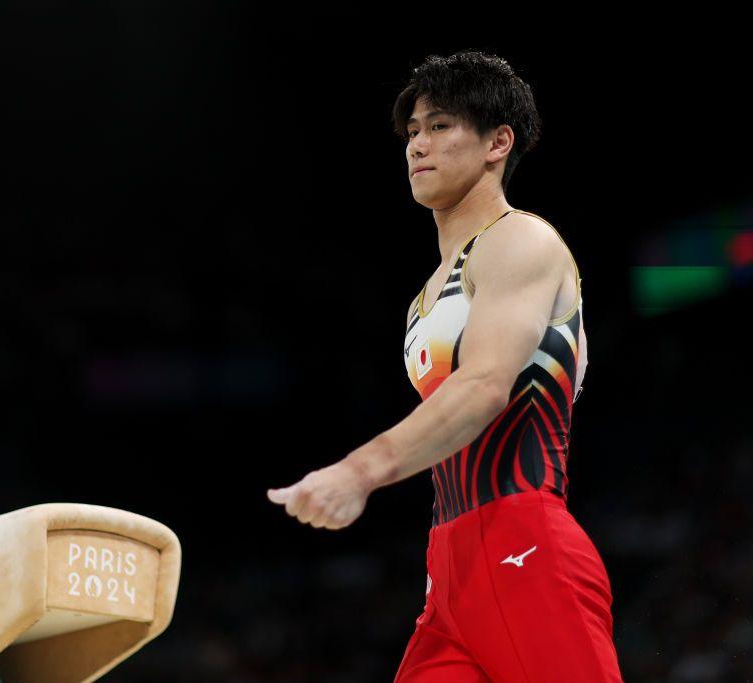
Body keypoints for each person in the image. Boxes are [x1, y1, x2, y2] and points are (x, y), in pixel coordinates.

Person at [267, 50, 623, 682]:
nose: (416, 146)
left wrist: (359, 472)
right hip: (448, 572)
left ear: (498, 142)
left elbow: (485, 386)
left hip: (525, 542)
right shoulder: (426, 298)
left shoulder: (522, 241)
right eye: (412, 132)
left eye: (439, 127)